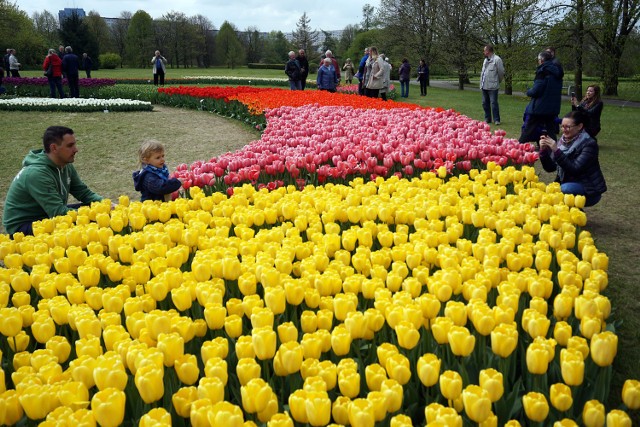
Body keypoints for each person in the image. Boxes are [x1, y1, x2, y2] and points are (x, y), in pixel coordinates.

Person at [2, 126, 105, 236]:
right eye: (70, 146)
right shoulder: (37, 174)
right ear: (54, 148)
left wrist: (105, 204)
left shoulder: (65, 165)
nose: (76, 149)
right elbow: (58, 213)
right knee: (90, 219)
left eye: (75, 144)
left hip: (46, 215)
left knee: (99, 210)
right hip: (23, 225)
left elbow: (83, 193)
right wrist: (92, 216)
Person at [539, 110, 606, 207]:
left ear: (579, 126)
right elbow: (550, 168)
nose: (564, 130)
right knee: (551, 191)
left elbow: (574, 169)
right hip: (569, 184)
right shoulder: (563, 142)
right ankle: (570, 213)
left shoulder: (589, 144)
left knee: (564, 189)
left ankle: (574, 210)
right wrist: (543, 151)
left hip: (589, 189)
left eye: (568, 127)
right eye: (562, 126)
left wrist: (556, 151)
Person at [519, 50, 563, 144]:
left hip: (540, 107)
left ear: (542, 60)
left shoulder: (542, 71)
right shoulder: (557, 72)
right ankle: (555, 150)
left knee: (528, 129)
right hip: (552, 106)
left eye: (538, 59)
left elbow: (536, 90)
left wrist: (528, 92)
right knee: (551, 131)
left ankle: (518, 147)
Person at [480, 45, 505, 125]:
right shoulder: (485, 60)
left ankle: (496, 119)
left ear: (488, 51)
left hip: (493, 86)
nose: (484, 52)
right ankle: (487, 119)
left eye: (484, 50)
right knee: (484, 103)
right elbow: (483, 73)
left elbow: (501, 72)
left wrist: (497, 81)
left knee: (494, 103)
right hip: (484, 85)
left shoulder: (497, 60)